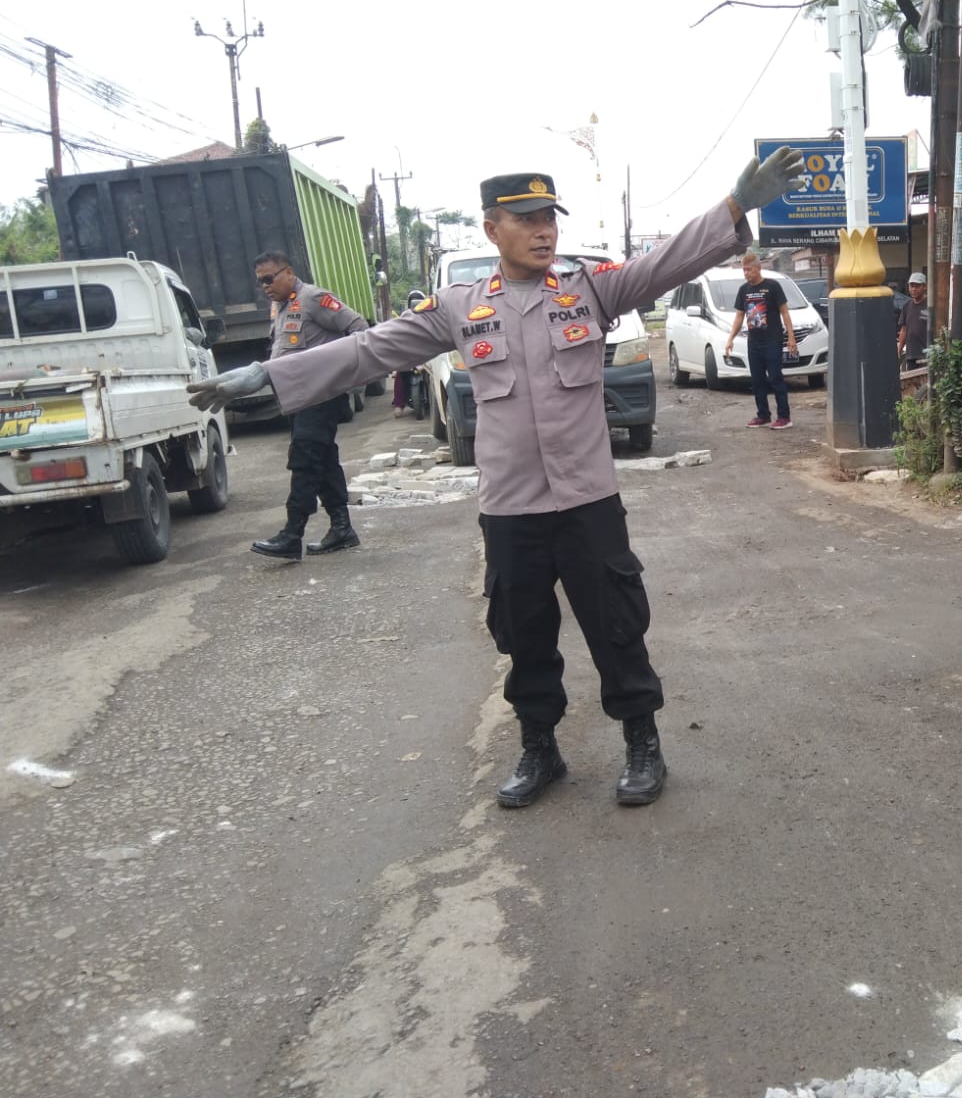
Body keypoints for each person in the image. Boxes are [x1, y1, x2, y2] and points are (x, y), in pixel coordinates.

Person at [190, 150, 807, 808]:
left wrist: (735, 207)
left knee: (616, 625)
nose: (544, 230)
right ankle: (540, 749)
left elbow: (666, 263)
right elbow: (369, 349)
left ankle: (641, 742)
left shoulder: (588, 291)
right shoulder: (458, 308)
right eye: (527, 219)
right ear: (492, 230)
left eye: (549, 218)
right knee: (524, 632)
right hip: (511, 509)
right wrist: (269, 374)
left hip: (587, 502)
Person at [249, 251, 369, 561]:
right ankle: (342, 529)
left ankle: (292, 534)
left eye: (269, 278)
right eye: (259, 281)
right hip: (297, 398)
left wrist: (342, 374)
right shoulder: (280, 307)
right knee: (324, 460)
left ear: (288, 272)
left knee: (304, 460)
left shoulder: (315, 298)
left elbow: (358, 329)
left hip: (320, 396)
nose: (264, 286)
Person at [726, 252, 798, 429]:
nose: (746, 273)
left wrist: (791, 337)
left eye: (749, 270)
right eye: (744, 270)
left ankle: (784, 417)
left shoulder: (772, 286)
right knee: (757, 380)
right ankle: (763, 415)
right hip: (754, 342)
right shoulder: (744, 290)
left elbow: (785, 312)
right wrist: (731, 339)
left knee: (775, 378)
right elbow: (739, 317)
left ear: (758, 268)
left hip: (772, 340)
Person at [898, 272, 930, 365]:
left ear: (924, 287)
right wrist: (899, 349)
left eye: (917, 286)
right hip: (911, 354)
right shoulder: (907, 306)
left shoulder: (930, 305)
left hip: (927, 354)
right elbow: (904, 329)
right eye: (911, 286)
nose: (913, 289)